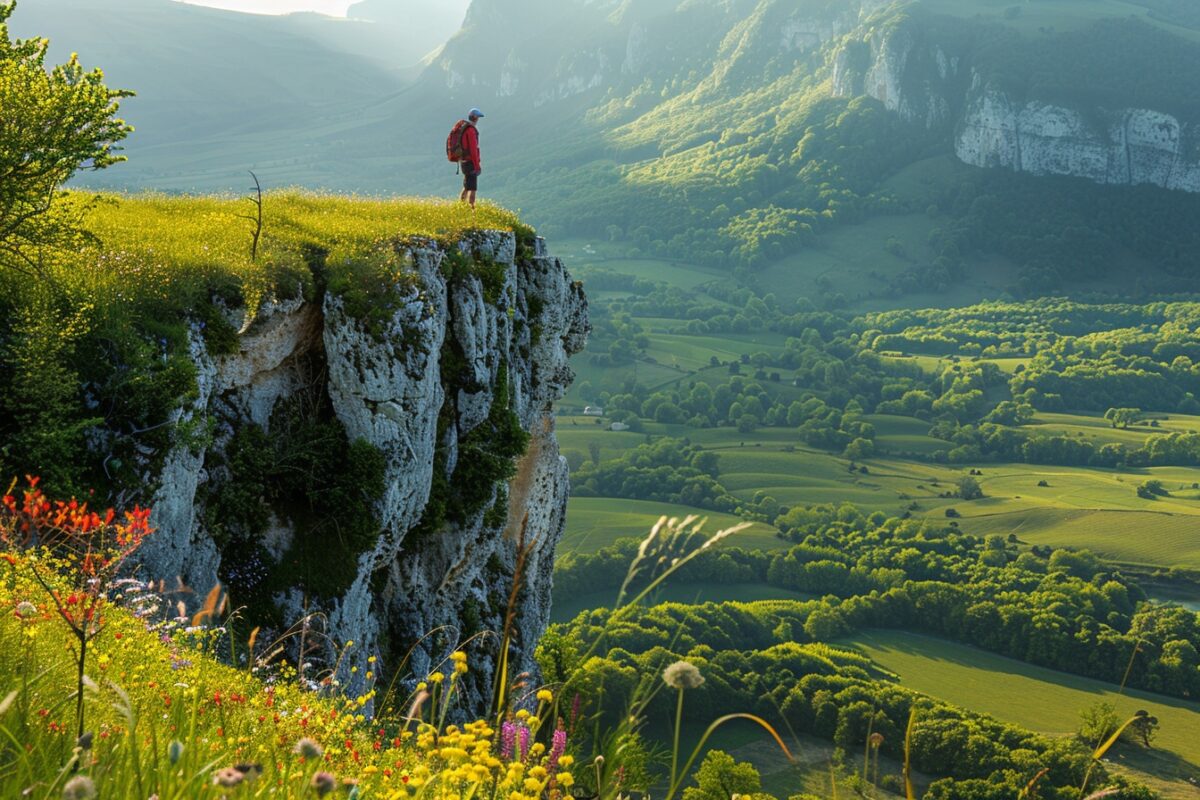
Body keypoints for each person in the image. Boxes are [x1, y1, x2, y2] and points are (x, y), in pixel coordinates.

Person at [459, 108, 484, 208]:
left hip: (464, 161)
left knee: (466, 186)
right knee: (473, 188)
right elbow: (473, 149)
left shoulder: (464, 129)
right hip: (471, 162)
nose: (478, 119)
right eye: (477, 117)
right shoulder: (471, 130)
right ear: (475, 118)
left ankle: (460, 206)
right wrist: (477, 166)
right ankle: (472, 210)